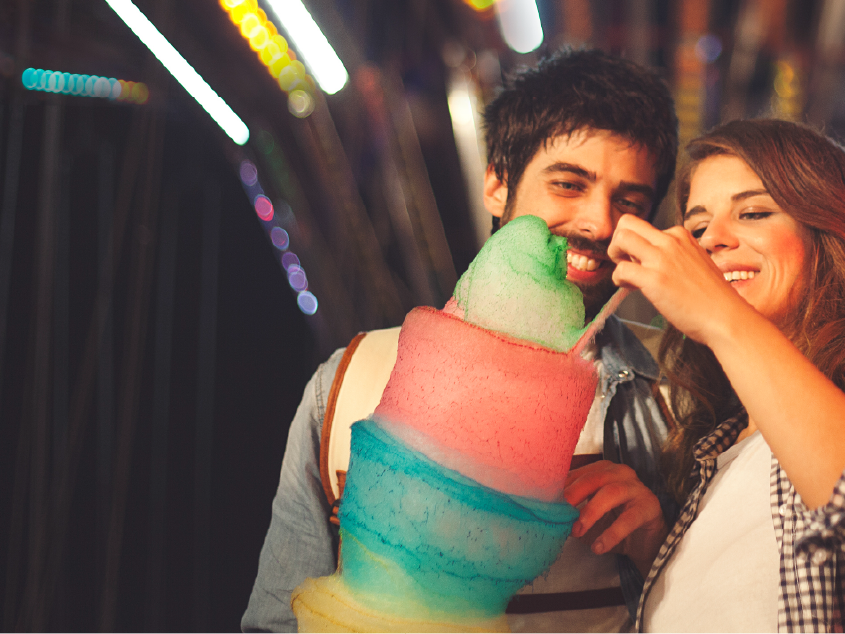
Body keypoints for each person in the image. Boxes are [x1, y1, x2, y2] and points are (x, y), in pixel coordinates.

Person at [242, 49, 679, 634]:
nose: (599, 223)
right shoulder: (347, 382)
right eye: (569, 184)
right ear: (497, 185)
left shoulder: (676, 391)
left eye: (630, 202)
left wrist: (658, 545)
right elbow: (277, 618)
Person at [605, 119, 845, 634]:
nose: (711, 240)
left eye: (754, 212)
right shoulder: (714, 442)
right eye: (695, 227)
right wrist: (656, 544)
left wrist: (721, 319)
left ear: (828, 233)